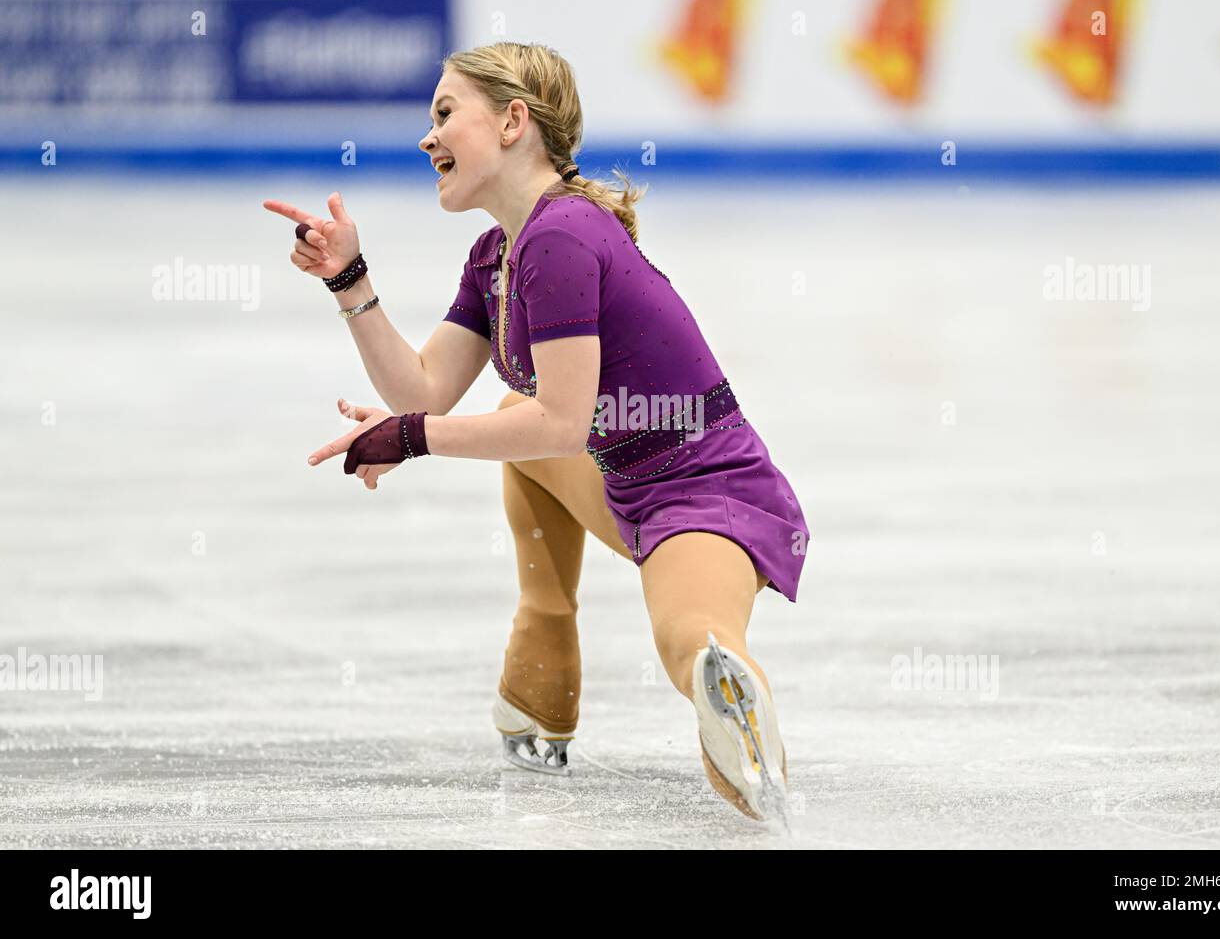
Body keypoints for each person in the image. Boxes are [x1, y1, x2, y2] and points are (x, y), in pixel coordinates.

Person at [262, 41, 809, 822]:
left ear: (514, 120)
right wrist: (351, 282)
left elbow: (561, 422)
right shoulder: (498, 255)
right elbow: (424, 388)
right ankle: (543, 662)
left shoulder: (560, 238)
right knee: (516, 435)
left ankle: (734, 710)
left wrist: (412, 437)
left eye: (446, 114)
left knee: (688, 636)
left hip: (704, 490)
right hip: (623, 479)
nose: (429, 138)